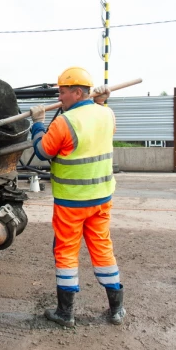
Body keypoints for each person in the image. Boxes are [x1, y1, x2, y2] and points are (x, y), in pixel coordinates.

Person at [30, 66, 125, 327]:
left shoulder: (64, 122)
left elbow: (42, 151)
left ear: (76, 92)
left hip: (71, 202)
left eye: (62, 92)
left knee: (66, 254)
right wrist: (102, 102)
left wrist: (37, 123)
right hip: (102, 199)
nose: (59, 97)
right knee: (103, 250)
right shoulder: (107, 114)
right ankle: (117, 310)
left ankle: (65, 313)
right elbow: (103, 124)